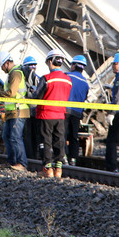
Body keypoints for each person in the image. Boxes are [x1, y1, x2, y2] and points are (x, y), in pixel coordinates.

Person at [32, 49, 72, 178]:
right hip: (60, 115)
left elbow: (37, 96)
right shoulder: (68, 80)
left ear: (50, 62)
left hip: (45, 115)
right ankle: (59, 170)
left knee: (45, 142)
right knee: (59, 141)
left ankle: (47, 169)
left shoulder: (46, 78)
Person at [0, 52, 28, 170]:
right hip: (12, 111)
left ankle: (22, 163)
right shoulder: (12, 74)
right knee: (7, 136)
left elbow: (11, 93)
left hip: (18, 110)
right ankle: (12, 161)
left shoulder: (15, 73)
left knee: (15, 137)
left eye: (2, 66)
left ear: (7, 63)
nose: (2, 69)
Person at [65, 55, 90, 165]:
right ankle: (73, 159)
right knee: (74, 136)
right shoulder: (85, 83)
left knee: (62, 135)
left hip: (64, 110)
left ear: (74, 65)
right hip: (77, 113)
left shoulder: (66, 76)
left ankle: (63, 157)